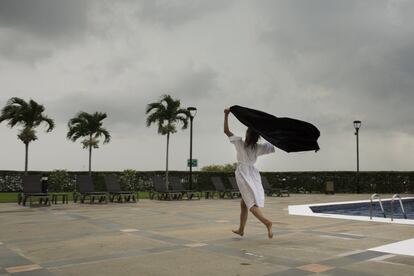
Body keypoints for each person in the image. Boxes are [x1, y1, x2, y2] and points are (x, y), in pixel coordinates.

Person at [224, 108, 275, 239]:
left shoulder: (239, 143)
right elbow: (273, 146)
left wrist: (226, 115)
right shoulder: (257, 148)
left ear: (247, 135)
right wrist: (272, 133)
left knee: (251, 204)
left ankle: (267, 223)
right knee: (243, 204)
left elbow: (226, 131)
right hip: (252, 174)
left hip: (243, 175)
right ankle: (241, 229)